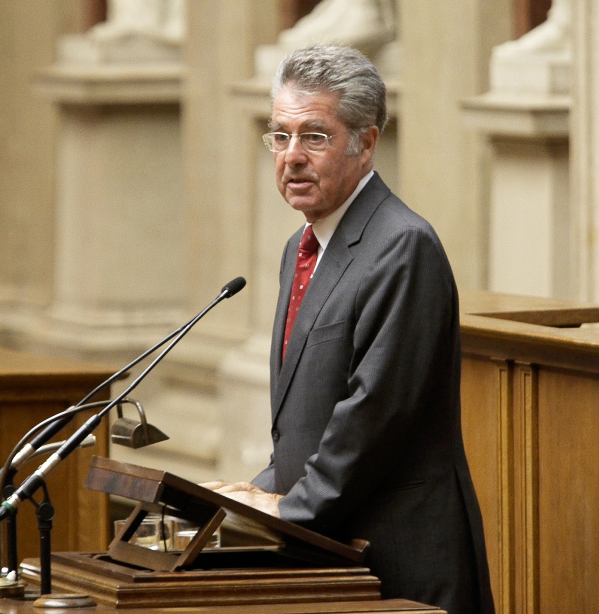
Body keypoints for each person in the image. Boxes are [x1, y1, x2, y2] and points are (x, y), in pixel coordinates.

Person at [203, 44, 495, 614]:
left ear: (366, 143)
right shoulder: (300, 247)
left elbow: (374, 412)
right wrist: (250, 494)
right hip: (332, 554)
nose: (291, 157)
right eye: (280, 136)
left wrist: (282, 510)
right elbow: (305, 420)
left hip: (399, 561)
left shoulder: (402, 246)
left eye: (315, 136)